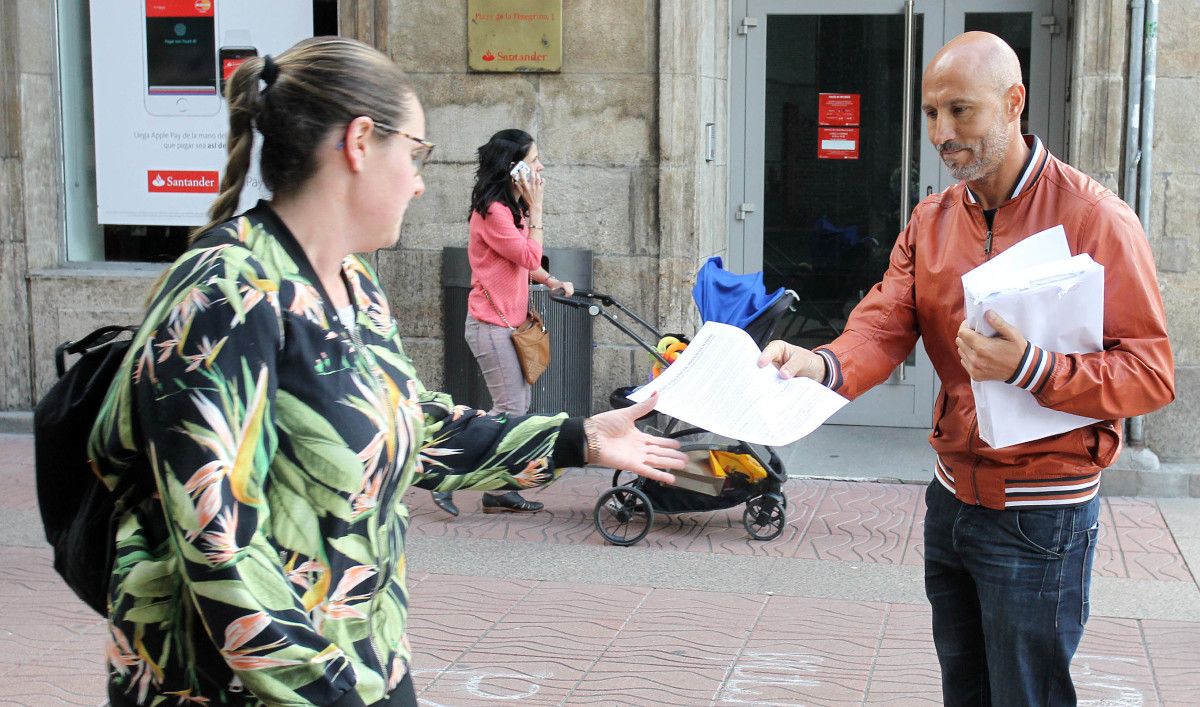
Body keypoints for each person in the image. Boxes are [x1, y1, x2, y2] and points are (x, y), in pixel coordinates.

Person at [88, 37, 686, 707]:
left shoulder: (351, 280)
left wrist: (576, 438)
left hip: (359, 660)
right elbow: (220, 545)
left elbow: (413, 425)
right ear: (360, 143)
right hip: (251, 689)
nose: (421, 178)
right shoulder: (224, 294)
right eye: (416, 152)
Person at [758, 32, 1174, 705]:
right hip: (951, 499)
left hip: (1042, 513)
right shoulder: (932, 217)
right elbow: (885, 320)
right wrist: (819, 362)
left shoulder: (1096, 218)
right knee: (966, 692)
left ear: (1014, 103)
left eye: (961, 111)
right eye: (930, 113)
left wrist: (1033, 366)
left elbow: (1150, 374)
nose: (941, 132)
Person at [429, 129, 574, 517]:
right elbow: (528, 256)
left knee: (515, 408)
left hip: (508, 323)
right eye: (535, 158)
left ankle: (500, 488)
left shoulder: (511, 208)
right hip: (490, 324)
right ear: (515, 167)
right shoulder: (493, 211)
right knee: (508, 409)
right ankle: (443, 472)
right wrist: (539, 208)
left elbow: (518, 266)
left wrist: (550, 281)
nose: (542, 166)